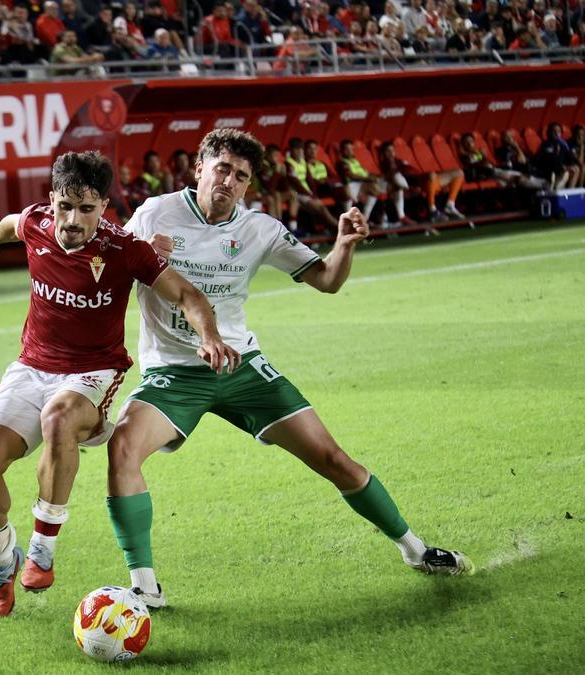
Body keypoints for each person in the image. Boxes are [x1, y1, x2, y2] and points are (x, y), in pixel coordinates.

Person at [105, 129, 474, 609]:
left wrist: (344, 244)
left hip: (241, 367)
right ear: (199, 169)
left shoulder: (260, 229)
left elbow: (326, 280)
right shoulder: (155, 213)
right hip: (173, 372)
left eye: (241, 176)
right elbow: (109, 272)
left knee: (333, 458)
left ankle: (416, 550)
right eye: (222, 169)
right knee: (123, 448)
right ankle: (145, 587)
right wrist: (142, 258)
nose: (229, 182)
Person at [0, 150, 237, 617]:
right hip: (31, 367)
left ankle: (43, 547)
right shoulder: (35, 223)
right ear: (51, 200)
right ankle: (1, 560)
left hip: (92, 372)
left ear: (104, 207)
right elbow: (11, 223)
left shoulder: (124, 248)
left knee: (57, 418)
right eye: (65, 206)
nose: (73, 220)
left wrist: (209, 336)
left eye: (86, 209)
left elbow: (187, 294)